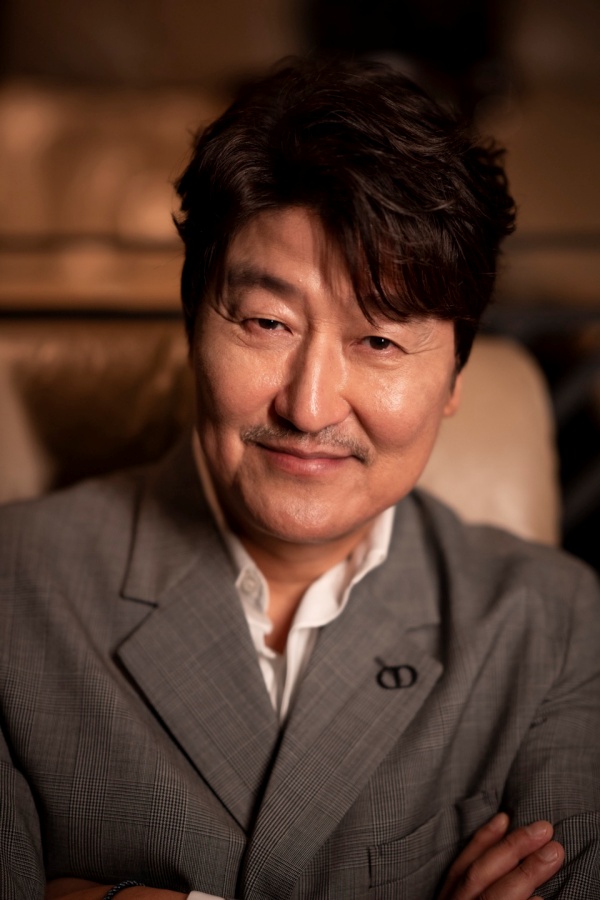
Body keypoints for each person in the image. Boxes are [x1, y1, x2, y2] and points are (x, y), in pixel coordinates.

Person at [1, 58, 599, 900]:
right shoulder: (14, 588)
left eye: (379, 341)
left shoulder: (555, 624)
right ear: (193, 328)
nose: (308, 405)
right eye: (266, 322)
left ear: (455, 378)